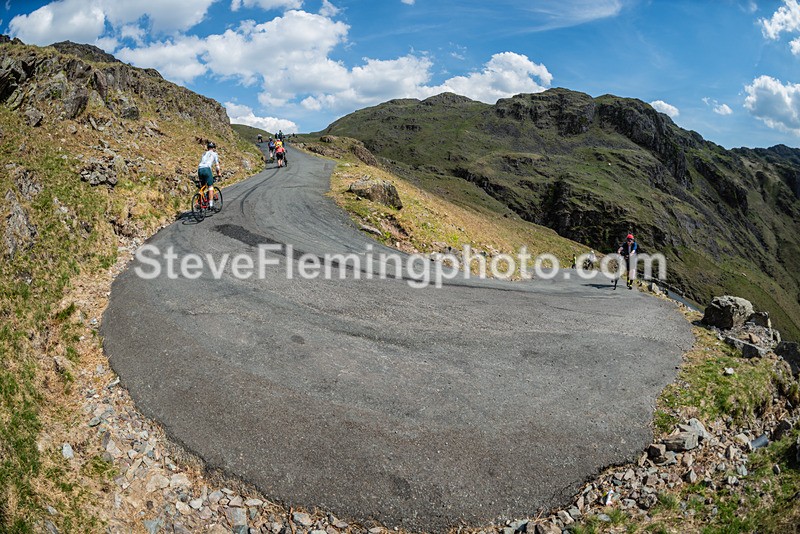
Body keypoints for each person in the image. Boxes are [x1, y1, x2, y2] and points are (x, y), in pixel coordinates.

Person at [198, 141, 221, 207]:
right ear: (213, 148)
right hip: (207, 169)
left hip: (200, 169)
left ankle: (200, 202)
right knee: (210, 187)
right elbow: (217, 166)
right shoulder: (214, 154)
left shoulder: (204, 154)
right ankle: (211, 204)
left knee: (202, 186)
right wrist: (218, 173)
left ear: (208, 148)